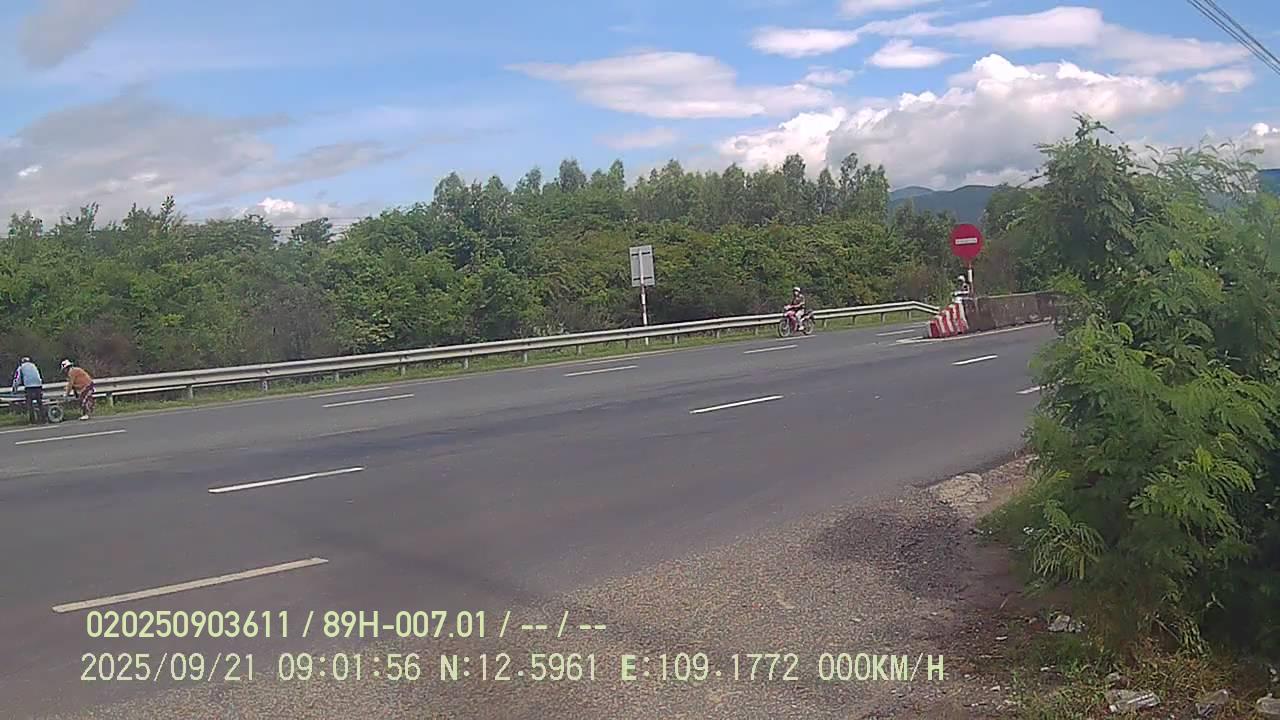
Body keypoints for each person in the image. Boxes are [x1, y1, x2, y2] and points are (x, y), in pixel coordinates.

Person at [12, 356, 44, 424]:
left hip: (29, 386)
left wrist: (14, 389)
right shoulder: (34, 366)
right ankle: (43, 419)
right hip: (38, 385)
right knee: (39, 403)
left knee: (30, 404)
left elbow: (17, 379)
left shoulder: (21, 367)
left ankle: (33, 421)